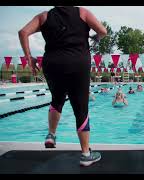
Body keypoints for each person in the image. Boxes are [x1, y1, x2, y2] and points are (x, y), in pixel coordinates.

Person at [19, 6, 107, 166]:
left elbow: (23, 32)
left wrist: (29, 57)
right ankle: (86, 155)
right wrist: (96, 37)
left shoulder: (44, 16)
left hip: (52, 64)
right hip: (78, 62)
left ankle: (51, 135)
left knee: (57, 99)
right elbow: (103, 31)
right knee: (80, 107)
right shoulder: (82, 13)